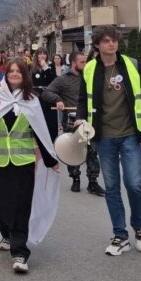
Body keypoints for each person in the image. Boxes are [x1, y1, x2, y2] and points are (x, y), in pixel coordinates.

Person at [78, 25, 141, 256]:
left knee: (134, 184)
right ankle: (120, 236)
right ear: (97, 45)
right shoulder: (90, 69)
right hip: (103, 138)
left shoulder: (133, 66)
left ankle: (139, 228)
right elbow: (82, 98)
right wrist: (80, 118)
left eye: (114, 40)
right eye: (106, 41)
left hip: (130, 135)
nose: (112, 44)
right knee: (111, 188)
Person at [0, 58, 60, 274]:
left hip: (23, 161)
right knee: (0, 203)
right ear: (5, 74)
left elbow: (39, 131)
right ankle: (6, 232)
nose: (14, 74)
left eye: (18, 71)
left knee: (21, 205)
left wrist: (51, 160)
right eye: (11, 71)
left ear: (25, 74)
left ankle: (20, 252)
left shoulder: (32, 100)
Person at [43, 51, 105, 196]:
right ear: (73, 63)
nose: (85, 64)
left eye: (86, 61)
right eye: (82, 62)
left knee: (92, 151)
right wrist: (57, 99)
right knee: (73, 151)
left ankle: (93, 182)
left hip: (89, 121)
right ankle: (75, 179)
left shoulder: (91, 77)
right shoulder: (63, 80)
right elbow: (47, 92)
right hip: (71, 121)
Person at [31, 48, 59, 145]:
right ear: (37, 55)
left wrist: (46, 68)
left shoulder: (51, 66)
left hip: (48, 95)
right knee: (38, 119)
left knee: (50, 120)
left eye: (44, 54)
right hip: (36, 96)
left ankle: (52, 141)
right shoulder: (32, 66)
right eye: (40, 54)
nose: (42, 56)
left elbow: (53, 81)